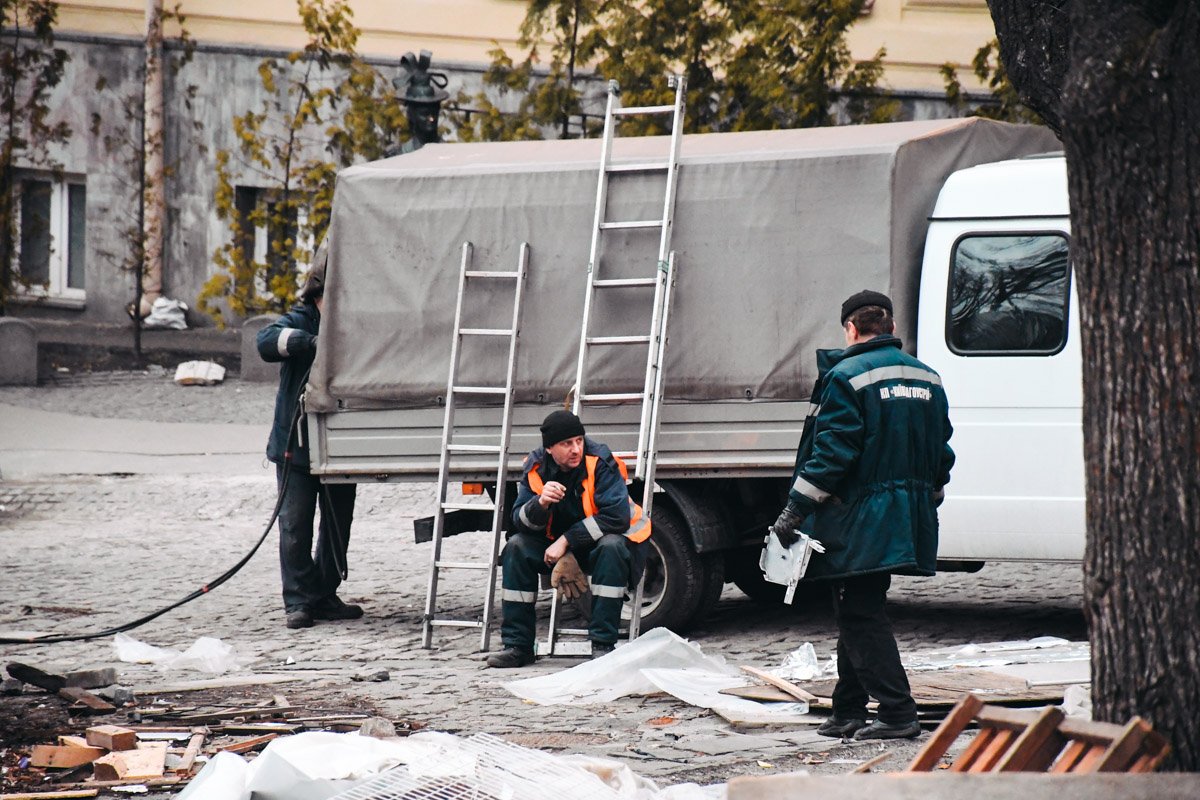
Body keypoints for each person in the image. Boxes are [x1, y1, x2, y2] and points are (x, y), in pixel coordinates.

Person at [770, 290, 954, 740]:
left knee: (859, 613)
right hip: (903, 514)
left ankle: (897, 712)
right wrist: (929, 495)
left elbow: (832, 453)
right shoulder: (927, 377)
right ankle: (848, 709)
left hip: (859, 517)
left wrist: (795, 509)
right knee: (858, 605)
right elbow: (942, 449)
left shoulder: (845, 376)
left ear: (851, 328)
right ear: (890, 326)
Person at [487, 410, 651, 668]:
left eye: (579, 441)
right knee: (516, 547)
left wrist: (567, 542)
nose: (576, 449)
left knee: (612, 547)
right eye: (567, 444)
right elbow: (518, 522)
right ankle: (518, 646)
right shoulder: (536, 467)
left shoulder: (600, 461)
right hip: (556, 545)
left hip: (601, 544)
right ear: (549, 448)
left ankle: (603, 646)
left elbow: (616, 518)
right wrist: (540, 503)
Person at [257, 242, 362, 630]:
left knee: (337, 525)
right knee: (294, 526)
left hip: (340, 443)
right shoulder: (301, 318)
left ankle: (324, 595)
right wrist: (309, 342)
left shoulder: (353, 321)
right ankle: (298, 601)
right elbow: (266, 341)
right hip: (295, 446)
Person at [386, 50, 448, 157]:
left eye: (434, 113)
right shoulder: (400, 155)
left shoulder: (448, 153)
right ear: (411, 115)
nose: (431, 119)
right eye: (424, 114)